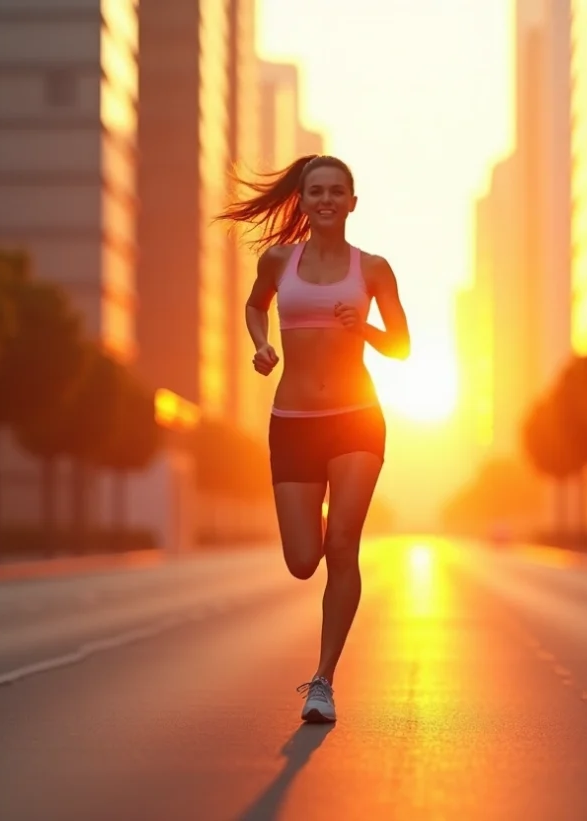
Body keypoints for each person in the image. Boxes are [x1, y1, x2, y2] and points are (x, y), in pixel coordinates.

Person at [217, 154, 411, 723]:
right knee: (305, 559)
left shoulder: (372, 269)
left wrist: (365, 327)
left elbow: (401, 346)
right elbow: (256, 308)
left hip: (356, 418)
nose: (326, 200)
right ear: (302, 201)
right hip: (293, 421)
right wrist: (261, 345)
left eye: (336, 192)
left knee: (343, 544)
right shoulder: (279, 261)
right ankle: (325, 533)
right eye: (315, 192)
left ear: (353, 202)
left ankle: (323, 679)